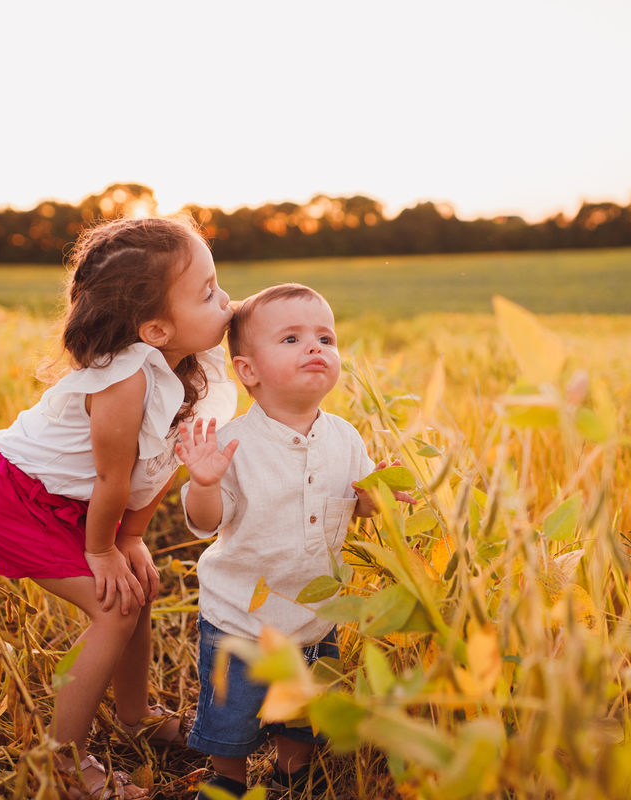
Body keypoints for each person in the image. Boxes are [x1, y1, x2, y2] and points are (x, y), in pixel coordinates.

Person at [0, 215, 237, 799]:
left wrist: (132, 539)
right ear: (156, 328)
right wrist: (102, 548)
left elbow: (157, 466)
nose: (227, 303)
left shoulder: (188, 365)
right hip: (18, 497)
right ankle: (63, 761)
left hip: (77, 500)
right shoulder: (123, 380)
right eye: (209, 293)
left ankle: (135, 716)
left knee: (139, 590)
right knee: (115, 608)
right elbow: (115, 476)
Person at [175, 283, 412, 798]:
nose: (315, 348)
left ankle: (292, 773)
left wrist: (380, 495)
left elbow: (360, 508)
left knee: (304, 712)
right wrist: (204, 482)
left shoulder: (347, 438)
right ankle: (227, 779)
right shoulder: (233, 442)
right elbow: (206, 521)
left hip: (316, 613)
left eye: (326, 337)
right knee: (232, 714)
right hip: (241, 617)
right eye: (291, 338)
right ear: (249, 372)